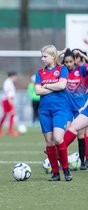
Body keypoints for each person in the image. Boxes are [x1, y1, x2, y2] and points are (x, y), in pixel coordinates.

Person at [35, 45, 71, 181]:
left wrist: (46, 85)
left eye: (45, 56)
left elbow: (62, 85)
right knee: (49, 142)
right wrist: (53, 86)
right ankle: (55, 173)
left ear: (53, 57)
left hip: (59, 109)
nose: (42, 58)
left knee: (58, 138)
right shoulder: (40, 72)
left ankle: (66, 169)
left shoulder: (62, 69)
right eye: (42, 56)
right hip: (44, 111)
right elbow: (38, 91)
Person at [62, 49, 88, 170]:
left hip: (80, 108)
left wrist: (83, 55)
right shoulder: (63, 71)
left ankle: (82, 162)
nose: (68, 64)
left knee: (81, 134)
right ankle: (62, 161)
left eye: (71, 61)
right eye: (66, 62)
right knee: (66, 133)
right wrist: (61, 52)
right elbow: (50, 63)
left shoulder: (81, 70)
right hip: (68, 107)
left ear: (75, 61)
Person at [0, 72, 19, 136]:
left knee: (7, 115)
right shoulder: (7, 82)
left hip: (8, 99)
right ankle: (9, 130)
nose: (16, 78)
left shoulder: (10, 82)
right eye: (15, 76)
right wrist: (9, 99)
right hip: (7, 100)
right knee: (11, 114)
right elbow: (6, 91)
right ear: (12, 76)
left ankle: (0, 129)